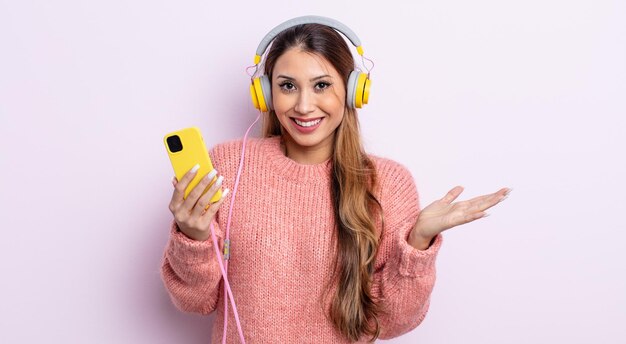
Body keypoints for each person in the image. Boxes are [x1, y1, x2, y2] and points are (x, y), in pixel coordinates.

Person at [161, 17, 510, 344]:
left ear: (353, 90)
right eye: (287, 86)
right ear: (265, 94)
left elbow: (391, 322)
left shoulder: (388, 182)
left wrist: (417, 243)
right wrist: (193, 237)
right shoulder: (229, 166)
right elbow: (195, 301)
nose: (303, 105)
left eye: (322, 85)